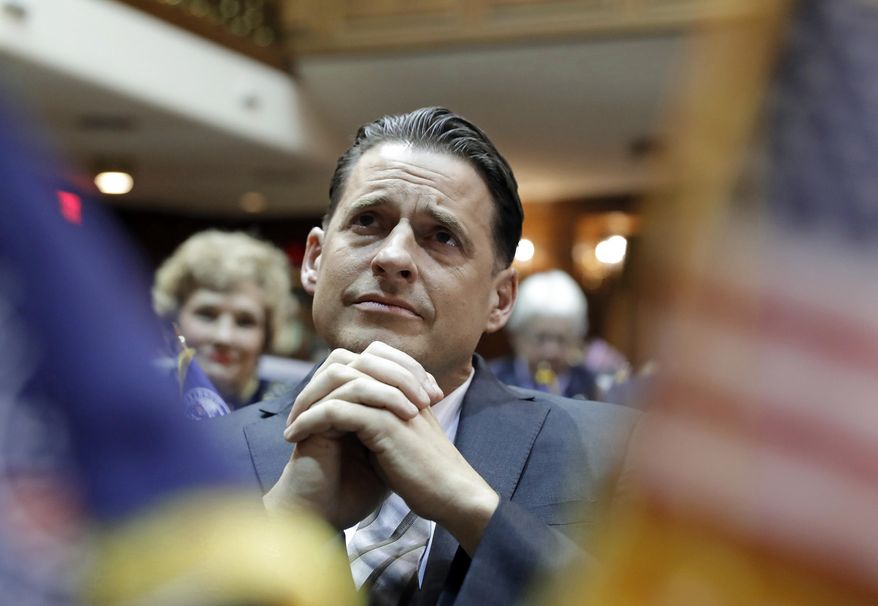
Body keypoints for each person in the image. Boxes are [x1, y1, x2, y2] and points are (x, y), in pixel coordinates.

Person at [212, 107, 637, 605]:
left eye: (442, 236)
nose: (393, 256)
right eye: (368, 221)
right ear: (314, 260)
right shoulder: (191, 454)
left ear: (499, 300)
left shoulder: (624, 449)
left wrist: (476, 510)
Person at [153, 230, 292, 409]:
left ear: (267, 337)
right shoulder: (134, 398)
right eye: (206, 315)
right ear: (174, 322)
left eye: (244, 322)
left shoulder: (287, 415)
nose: (224, 337)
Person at [491, 269, 599, 399]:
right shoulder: (490, 381)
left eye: (561, 339)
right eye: (540, 338)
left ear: (577, 339)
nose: (551, 352)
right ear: (516, 337)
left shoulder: (591, 386)